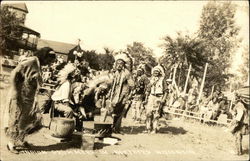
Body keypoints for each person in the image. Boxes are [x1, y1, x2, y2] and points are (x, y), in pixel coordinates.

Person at [5, 47, 56, 154]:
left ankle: (20, 140)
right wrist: (14, 89)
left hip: (28, 97)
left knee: (27, 120)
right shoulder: (31, 61)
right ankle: (11, 143)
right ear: (44, 56)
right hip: (19, 94)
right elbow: (14, 73)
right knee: (16, 117)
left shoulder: (38, 64)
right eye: (49, 60)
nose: (49, 63)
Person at [108, 53, 134, 134]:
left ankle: (116, 128)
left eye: (121, 63)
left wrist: (128, 95)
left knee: (119, 112)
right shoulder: (115, 73)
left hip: (123, 94)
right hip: (115, 94)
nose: (119, 65)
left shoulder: (126, 73)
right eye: (118, 63)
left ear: (123, 64)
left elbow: (132, 85)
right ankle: (113, 126)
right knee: (112, 111)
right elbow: (111, 84)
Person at [144, 65, 167, 134]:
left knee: (156, 114)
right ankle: (148, 128)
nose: (155, 73)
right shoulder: (151, 80)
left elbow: (166, 91)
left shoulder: (162, 80)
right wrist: (146, 99)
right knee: (148, 113)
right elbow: (148, 90)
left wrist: (163, 99)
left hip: (158, 97)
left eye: (157, 72)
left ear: (159, 73)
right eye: (154, 72)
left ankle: (154, 129)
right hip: (151, 96)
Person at [230, 90, 249, 155]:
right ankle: (239, 151)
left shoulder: (239, 105)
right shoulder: (241, 104)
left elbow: (240, 114)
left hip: (240, 123)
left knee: (237, 136)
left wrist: (235, 123)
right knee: (238, 137)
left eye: (234, 96)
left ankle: (238, 152)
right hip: (242, 123)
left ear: (236, 97)